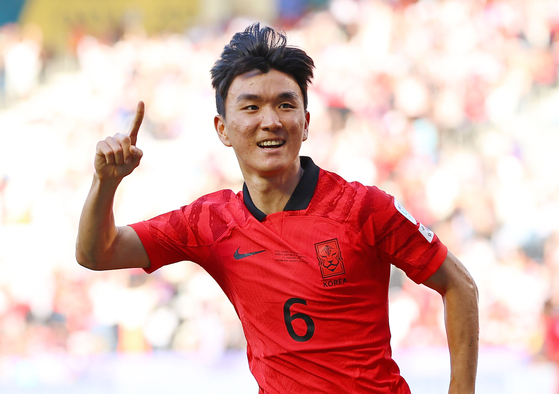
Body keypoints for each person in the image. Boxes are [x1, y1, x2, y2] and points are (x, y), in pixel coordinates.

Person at [76, 23, 479, 393]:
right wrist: (105, 184)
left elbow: (459, 286)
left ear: (305, 122)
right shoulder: (209, 223)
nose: (270, 120)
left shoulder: (362, 208)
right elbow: (97, 253)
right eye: (251, 107)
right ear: (223, 129)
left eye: (285, 105)